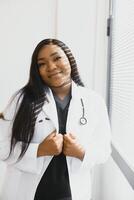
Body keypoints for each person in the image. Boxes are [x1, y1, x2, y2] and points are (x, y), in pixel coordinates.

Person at [0, 38, 111, 200]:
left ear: (69, 59)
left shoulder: (94, 101)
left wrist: (81, 152)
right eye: (42, 64)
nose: (51, 67)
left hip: (71, 193)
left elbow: (104, 150)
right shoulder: (21, 99)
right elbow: (2, 147)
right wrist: (39, 150)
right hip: (26, 192)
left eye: (57, 58)